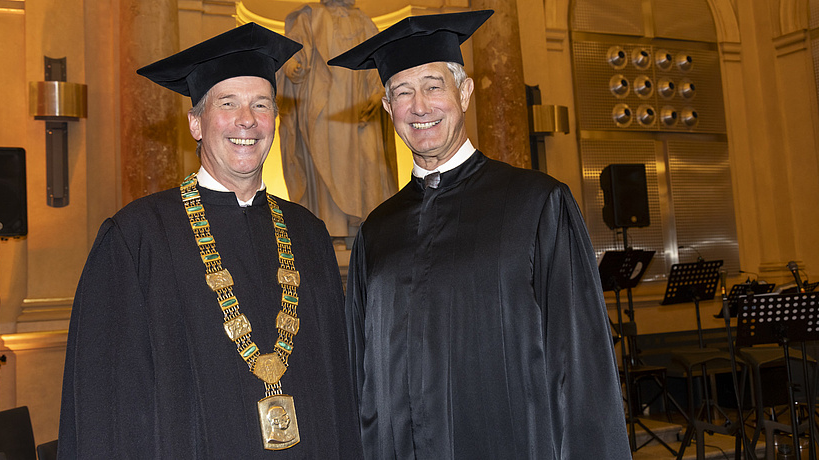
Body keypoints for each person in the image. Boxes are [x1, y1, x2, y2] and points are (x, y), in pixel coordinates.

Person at [328, 10, 632, 459]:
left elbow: (581, 367)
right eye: (403, 93)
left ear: (464, 93)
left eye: (434, 86)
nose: (420, 107)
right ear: (389, 109)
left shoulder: (536, 205)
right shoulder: (377, 230)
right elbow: (359, 374)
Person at [57, 23, 362, 458]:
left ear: (275, 120)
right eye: (228, 103)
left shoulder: (309, 235)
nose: (247, 120)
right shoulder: (137, 237)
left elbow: (338, 387)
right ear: (196, 123)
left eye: (261, 105)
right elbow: (110, 406)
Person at [279, 0, 398, 246]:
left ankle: (362, 229)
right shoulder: (309, 16)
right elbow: (290, 53)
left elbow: (381, 64)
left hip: (360, 111)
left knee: (366, 164)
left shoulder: (364, 20)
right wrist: (292, 67)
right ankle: (331, 229)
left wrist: (378, 93)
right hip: (323, 108)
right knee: (325, 161)